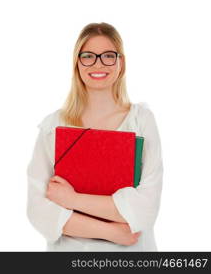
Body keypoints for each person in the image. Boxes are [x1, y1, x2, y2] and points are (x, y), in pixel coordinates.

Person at [26, 22, 164, 251]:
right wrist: (112, 231)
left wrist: (72, 201)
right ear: (77, 63)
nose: (98, 64)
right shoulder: (54, 126)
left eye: (108, 56)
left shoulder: (141, 121)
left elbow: (145, 209)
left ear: (121, 63)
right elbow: (39, 209)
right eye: (88, 56)